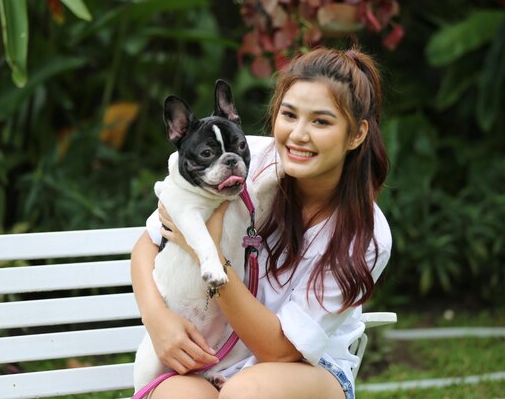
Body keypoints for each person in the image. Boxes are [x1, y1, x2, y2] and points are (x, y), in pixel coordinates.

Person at [130, 46, 392, 399]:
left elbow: (281, 350)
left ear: (356, 134)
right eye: (289, 115)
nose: (298, 134)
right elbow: (150, 242)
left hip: (304, 370)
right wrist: (157, 320)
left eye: (321, 121)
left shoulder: (365, 233)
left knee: (246, 393)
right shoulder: (242, 159)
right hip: (216, 354)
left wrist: (209, 257)